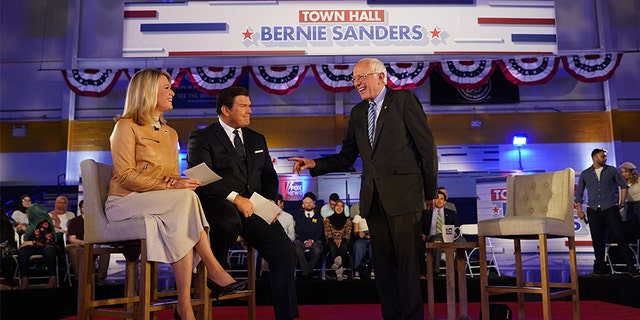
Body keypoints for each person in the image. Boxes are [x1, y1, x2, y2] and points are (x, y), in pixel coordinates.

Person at [289, 57, 437, 320]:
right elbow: (346, 157)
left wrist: (429, 192)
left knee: (407, 267)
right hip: (374, 200)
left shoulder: (404, 101)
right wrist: (315, 163)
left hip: (406, 196)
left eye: (362, 77)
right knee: (384, 268)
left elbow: (427, 150)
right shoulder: (358, 113)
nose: (357, 83)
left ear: (380, 76)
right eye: (354, 79)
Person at [106, 69, 246, 320]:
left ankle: (184, 305)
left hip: (158, 202)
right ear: (148, 92)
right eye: (167, 88)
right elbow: (125, 176)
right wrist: (171, 186)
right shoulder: (125, 126)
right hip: (124, 202)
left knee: (184, 211)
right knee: (185, 201)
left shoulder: (170, 133)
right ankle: (213, 270)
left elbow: (168, 176)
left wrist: (179, 180)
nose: (173, 92)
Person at [187, 86, 299, 320]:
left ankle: (287, 316)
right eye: (244, 106)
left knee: (285, 250)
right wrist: (235, 198)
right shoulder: (202, 137)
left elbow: (269, 175)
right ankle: (214, 274)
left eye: (250, 105)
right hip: (220, 203)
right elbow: (201, 178)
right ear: (226, 110)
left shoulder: (257, 138)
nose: (250, 110)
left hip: (255, 207)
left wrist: (269, 200)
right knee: (227, 223)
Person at [575, 148, 638, 276]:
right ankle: (600, 268)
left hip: (610, 208)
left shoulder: (612, 170)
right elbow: (579, 193)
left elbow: (623, 186)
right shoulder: (586, 174)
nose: (605, 158)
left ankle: (631, 267)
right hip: (593, 210)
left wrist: (622, 202)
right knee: (597, 239)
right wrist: (579, 210)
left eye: (605, 156)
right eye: (602, 156)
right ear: (594, 157)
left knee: (619, 236)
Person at [65, 200, 110, 285]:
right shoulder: (74, 221)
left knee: (105, 251)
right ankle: (80, 279)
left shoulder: (96, 221)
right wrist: (85, 243)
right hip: (77, 244)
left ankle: (100, 279)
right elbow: (72, 239)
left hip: (93, 244)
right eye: (84, 207)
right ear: (80, 209)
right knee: (75, 251)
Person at [16, 204, 59, 289]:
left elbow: (48, 240)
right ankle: (24, 280)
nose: (27, 215)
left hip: (45, 246)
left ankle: (52, 279)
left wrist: (31, 242)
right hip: (34, 247)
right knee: (22, 251)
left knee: (49, 249)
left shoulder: (45, 223)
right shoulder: (32, 224)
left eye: (28, 213)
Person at [421, 190, 462, 275]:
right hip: (433, 237)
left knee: (462, 241)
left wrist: (455, 233)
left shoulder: (451, 213)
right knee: (438, 239)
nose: (439, 201)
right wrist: (422, 234)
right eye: (437, 198)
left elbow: (457, 228)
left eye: (441, 199)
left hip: (449, 238)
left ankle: (457, 270)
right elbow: (419, 227)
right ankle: (436, 270)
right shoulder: (426, 212)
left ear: (444, 202)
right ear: (433, 200)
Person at [293, 193, 325, 280]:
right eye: (306, 202)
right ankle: (307, 272)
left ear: (314, 204)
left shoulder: (319, 217)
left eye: (310, 202)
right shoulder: (298, 217)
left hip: (315, 240)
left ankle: (308, 271)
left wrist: (312, 241)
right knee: (296, 249)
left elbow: (319, 231)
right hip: (301, 241)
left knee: (318, 250)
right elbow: (298, 231)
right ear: (303, 205)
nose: (309, 204)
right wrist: (305, 241)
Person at [323, 199, 352, 281]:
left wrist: (341, 239)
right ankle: (339, 272)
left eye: (341, 206)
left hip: (344, 240)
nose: (339, 208)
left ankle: (335, 268)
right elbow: (327, 233)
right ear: (334, 208)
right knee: (333, 248)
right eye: (337, 206)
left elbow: (348, 233)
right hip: (331, 240)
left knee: (344, 247)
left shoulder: (348, 220)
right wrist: (334, 239)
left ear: (343, 208)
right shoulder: (328, 219)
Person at [351, 202, 374, 280]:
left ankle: (373, 269)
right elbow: (355, 231)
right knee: (358, 246)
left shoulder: (373, 216)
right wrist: (359, 234)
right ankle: (356, 269)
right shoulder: (357, 217)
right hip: (361, 237)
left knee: (373, 246)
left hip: (372, 237)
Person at [1, 206, 18, 288]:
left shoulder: (5, 223)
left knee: (5, 254)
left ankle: (9, 281)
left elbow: (9, 237)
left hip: (6, 246)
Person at [620, 162, 640, 231]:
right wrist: (621, 207)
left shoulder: (638, 180)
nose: (624, 174)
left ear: (631, 171)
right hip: (628, 205)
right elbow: (621, 196)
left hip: (638, 204)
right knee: (627, 223)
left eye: (626, 172)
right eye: (622, 172)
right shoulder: (622, 182)